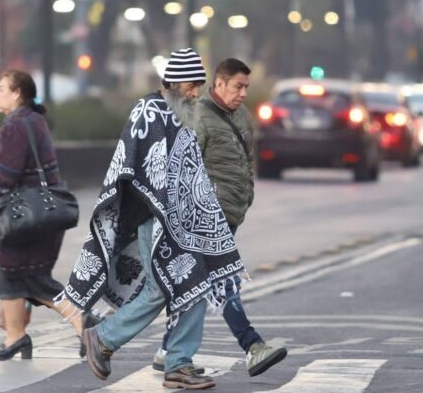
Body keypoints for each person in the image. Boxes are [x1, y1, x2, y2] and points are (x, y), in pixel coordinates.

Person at [55, 48, 246, 390]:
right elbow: (135, 165)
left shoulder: (183, 114)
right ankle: (103, 337)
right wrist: (164, 207)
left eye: (198, 86)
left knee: (194, 285)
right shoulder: (149, 110)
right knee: (160, 289)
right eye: (191, 86)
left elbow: (190, 171)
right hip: (153, 217)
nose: (196, 93)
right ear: (174, 82)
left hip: (183, 223)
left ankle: (179, 364)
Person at [152, 58, 287, 377]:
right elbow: (184, 166)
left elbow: (247, 159)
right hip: (207, 216)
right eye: (238, 87)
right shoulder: (199, 116)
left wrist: (247, 194)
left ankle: (166, 350)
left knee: (198, 284)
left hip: (232, 211)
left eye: (246, 87)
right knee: (223, 280)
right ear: (220, 84)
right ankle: (253, 346)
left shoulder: (241, 115)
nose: (243, 93)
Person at [0, 69, 84, 360]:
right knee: (11, 274)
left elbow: (7, 173)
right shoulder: (34, 120)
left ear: (17, 93)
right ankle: (15, 336)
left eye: (1, 89)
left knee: (30, 278)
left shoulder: (16, 126)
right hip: (36, 213)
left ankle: (83, 321)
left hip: (20, 215)